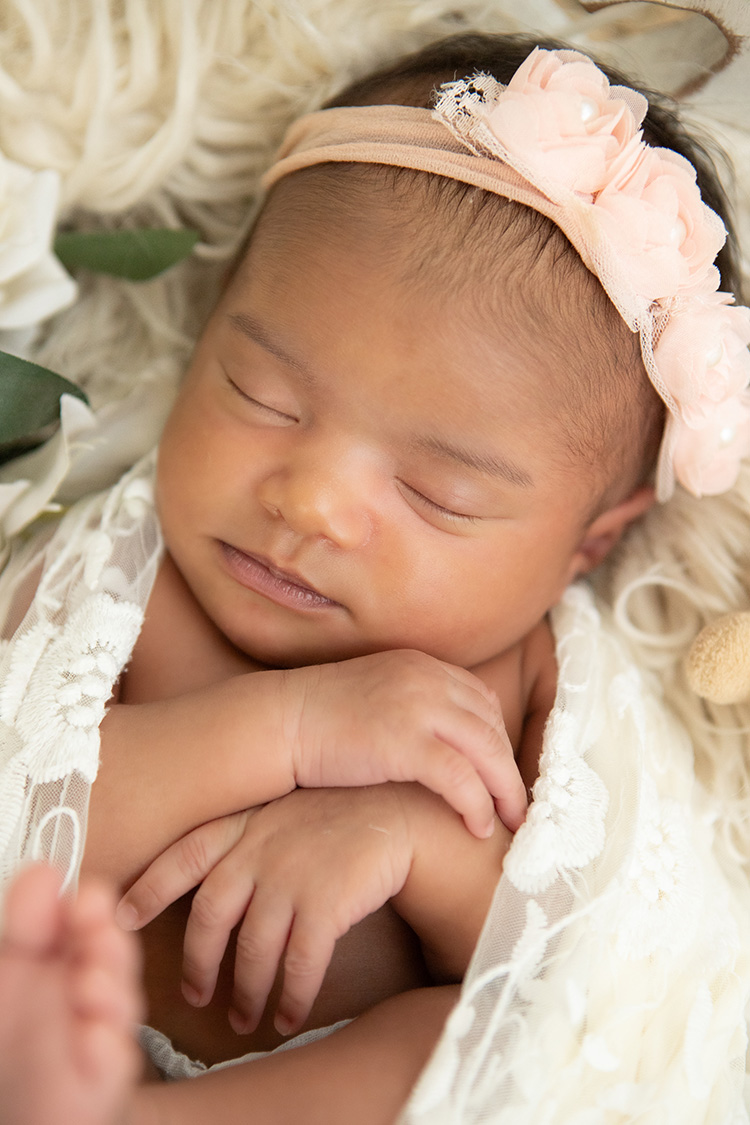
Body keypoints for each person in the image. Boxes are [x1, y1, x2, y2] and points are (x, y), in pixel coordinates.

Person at [1, 29, 748, 1124]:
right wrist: (286, 728)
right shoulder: (134, 577)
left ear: (590, 541)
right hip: (50, 1022)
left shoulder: (537, 682)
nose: (309, 502)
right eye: (262, 396)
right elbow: (21, 804)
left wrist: (419, 848)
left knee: (451, 1036)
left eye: (439, 494)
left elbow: (594, 979)